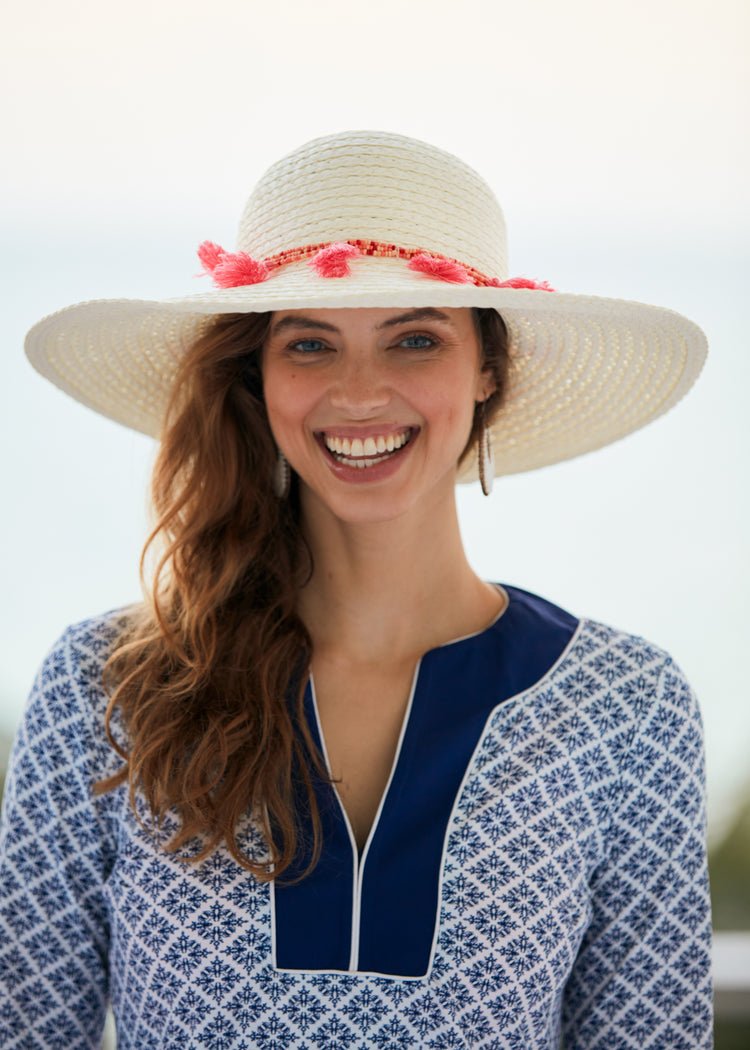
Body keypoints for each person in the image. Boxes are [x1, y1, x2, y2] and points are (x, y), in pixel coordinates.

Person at [1, 131, 712, 1049]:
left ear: (488, 368)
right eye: (310, 344)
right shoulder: (106, 690)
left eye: (415, 338)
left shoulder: (628, 706)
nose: (361, 392)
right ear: (257, 379)